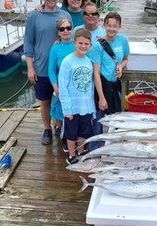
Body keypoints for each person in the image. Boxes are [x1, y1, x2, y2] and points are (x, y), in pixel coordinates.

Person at [24, 0, 71, 145]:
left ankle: (59, 125)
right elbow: (28, 42)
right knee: (45, 102)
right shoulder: (34, 15)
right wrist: (30, 68)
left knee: (61, 100)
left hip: (62, 71)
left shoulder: (64, 14)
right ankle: (47, 128)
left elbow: (70, 33)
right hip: (42, 68)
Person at [90, 11, 130, 149]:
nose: (112, 29)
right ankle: (95, 147)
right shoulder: (98, 46)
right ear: (104, 25)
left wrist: (121, 66)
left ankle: (115, 147)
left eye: (115, 26)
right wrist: (101, 97)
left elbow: (125, 59)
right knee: (99, 118)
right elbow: (96, 73)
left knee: (117, 117)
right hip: (102, 84)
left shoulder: (123, 40)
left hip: (116, 85)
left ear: (119, 27)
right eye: (109, 25)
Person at [58, 28, 96, 164]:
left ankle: (81, 152)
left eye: (86, 44)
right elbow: (62, 87)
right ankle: (72, 155)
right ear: (75, 43)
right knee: (71, 133)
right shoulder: (67, 61)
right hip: (72, 107)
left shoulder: (89, 62)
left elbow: (90, 87)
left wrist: (91, 106)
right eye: (80, 43)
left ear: (90, 45)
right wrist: (67, 109)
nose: (83, 46)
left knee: (83, 132)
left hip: (85, 106)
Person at [48, 16, 75, 151]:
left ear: (72, 29)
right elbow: (51, 70)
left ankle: (71, 136)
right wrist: (55, 87)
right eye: (62, 29)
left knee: (72, 114)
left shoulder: (77, 44)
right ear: (58, 32)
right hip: (60, 86)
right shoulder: (55, 48)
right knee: (59, 112)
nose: (66, 31)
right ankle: (60, 131)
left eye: (68, 28)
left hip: (74, 87)